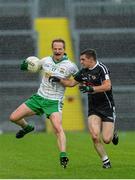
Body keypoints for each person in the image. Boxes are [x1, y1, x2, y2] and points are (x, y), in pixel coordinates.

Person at [9, 38, 79, 168]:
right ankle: (27, 128)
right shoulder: (46, 60)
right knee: (13, 117)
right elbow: (33, 65)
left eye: (60, 49)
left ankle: (63, 155)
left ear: (64, 50)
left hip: (54, 101)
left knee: (58, 128)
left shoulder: (70, 66)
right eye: (55, 49)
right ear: (52, 49)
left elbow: (75, 82)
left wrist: (61, 81)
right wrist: (25, 65)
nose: (57, 51)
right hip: (39, 98)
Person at [49, 48, 119, 169]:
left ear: (91, 59)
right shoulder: (84, 72)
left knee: (107, 139)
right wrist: (59, 80)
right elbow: (71, 83)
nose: (81, 62)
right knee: (94, 136)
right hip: (93, 108)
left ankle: (113, 133)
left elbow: (108, 86)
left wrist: (91, 89)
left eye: (83, 59)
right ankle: (105, 161)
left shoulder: (102, 68)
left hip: (107, 107)